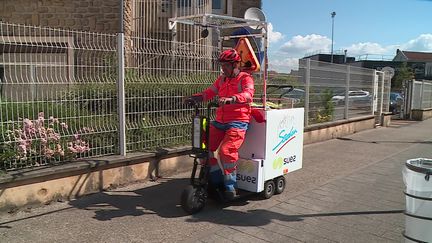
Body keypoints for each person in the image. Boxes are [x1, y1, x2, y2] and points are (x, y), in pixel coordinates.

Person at [185, 49, 255, 200]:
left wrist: (232, 99)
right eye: (222, 65)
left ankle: (231, 186)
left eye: (226, 65)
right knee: (203, 148)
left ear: (235, 64)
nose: (223, 68)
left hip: (238, 121)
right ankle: (216, 180)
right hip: (220, 121)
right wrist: (195, 98)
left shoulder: (245, 78)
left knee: (226, 151)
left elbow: (249, 95)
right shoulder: (222, 79)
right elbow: (209, 93)